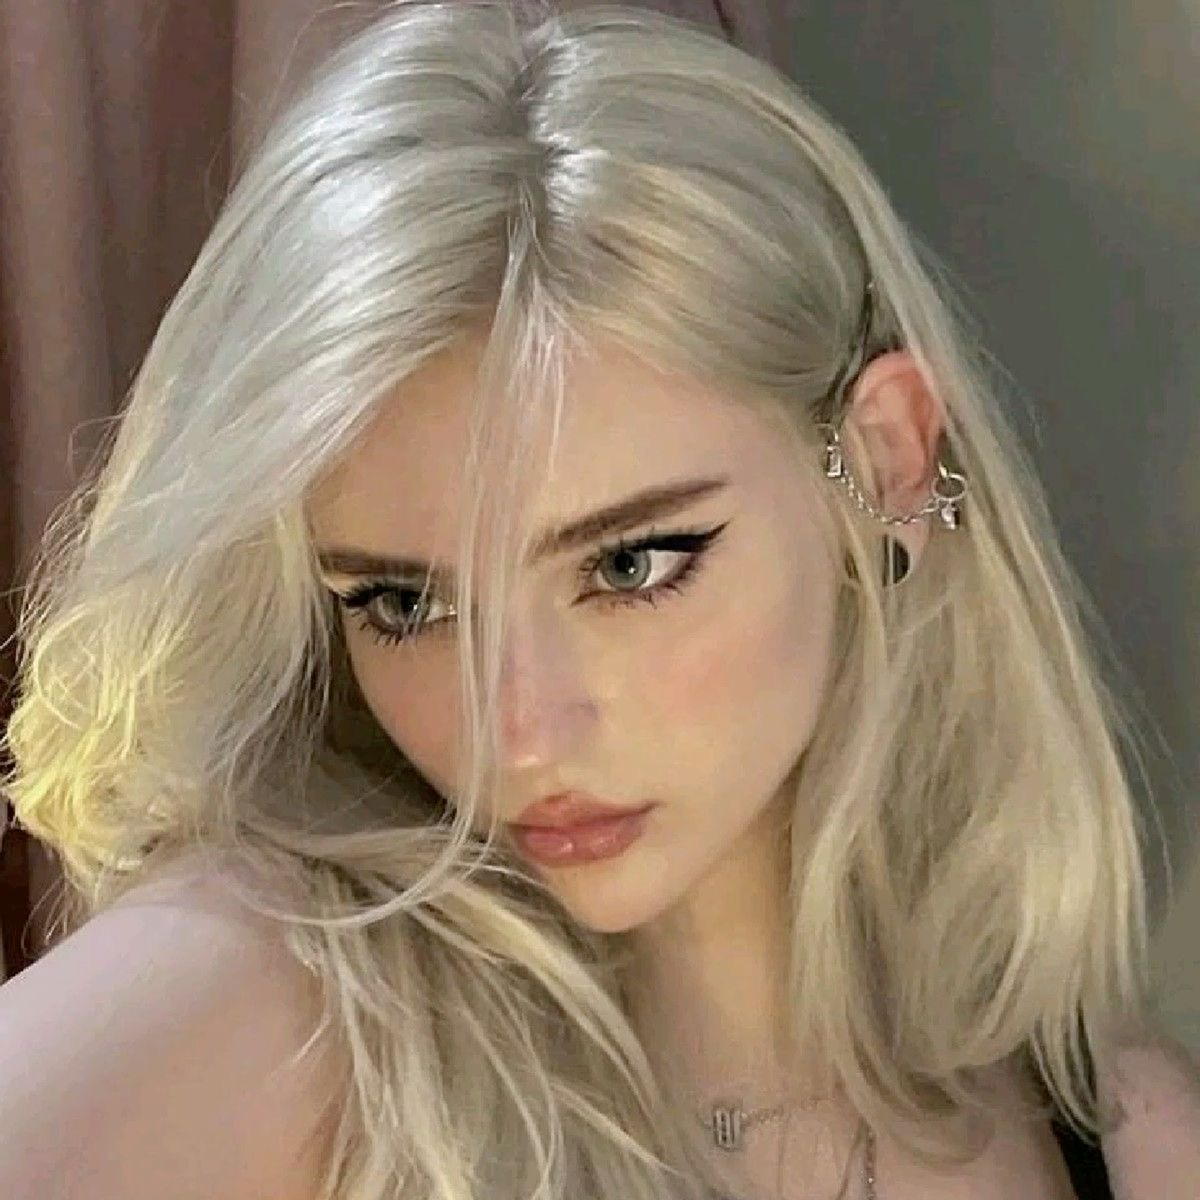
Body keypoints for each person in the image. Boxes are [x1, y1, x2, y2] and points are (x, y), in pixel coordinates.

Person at [1, 2, 1197, 1198]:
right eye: (404, 604)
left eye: (629, 567)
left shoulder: (1129, 1135)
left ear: (883, 464)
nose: (517, 732)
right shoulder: (290, 998)